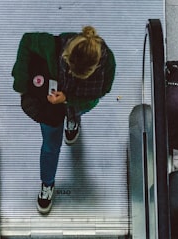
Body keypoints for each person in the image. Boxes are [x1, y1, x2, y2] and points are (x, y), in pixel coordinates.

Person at [11, 25, 116, 214]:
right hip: (52, 107)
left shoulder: (107, 63)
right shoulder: (53, 46)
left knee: (74, 114)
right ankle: (47, 183)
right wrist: (21, 84)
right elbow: (27, 40)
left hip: (78, 103)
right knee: (51, 145)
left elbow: (100, 93)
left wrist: (68, 99)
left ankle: (72, 120)